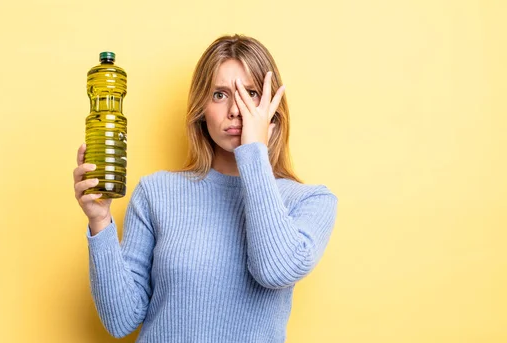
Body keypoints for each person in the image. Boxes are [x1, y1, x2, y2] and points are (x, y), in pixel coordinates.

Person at [73, 34, 338, 342]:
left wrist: (253, 153)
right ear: (201, 108)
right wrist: (99, 219)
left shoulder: (310, 201)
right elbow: (121, 320)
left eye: (250, 93)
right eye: (220, 95)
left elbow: (274, 270)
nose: (236, 111)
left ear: (273, 108)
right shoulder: (156, 193)